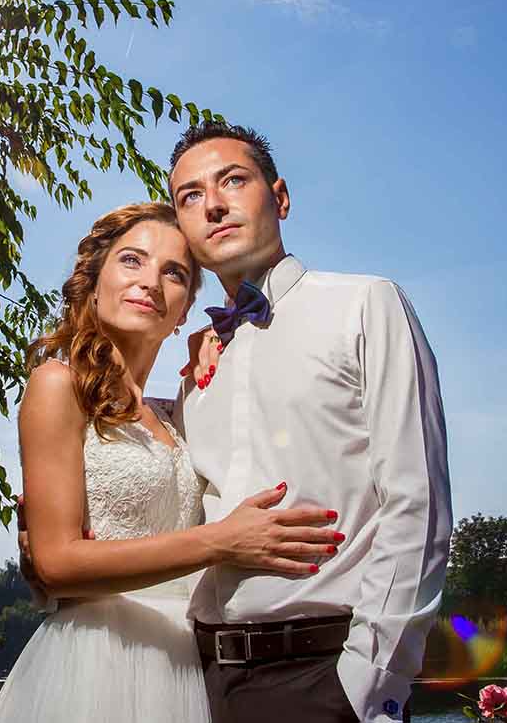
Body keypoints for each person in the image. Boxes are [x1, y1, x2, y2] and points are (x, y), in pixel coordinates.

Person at [0, 202, 345, 723]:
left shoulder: (180, 410)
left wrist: (226, 341)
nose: (150, 282)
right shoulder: (57, 385)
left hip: (188, 666)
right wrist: (221, 541)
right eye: (132, 261)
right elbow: (55, 565)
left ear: (184, 311)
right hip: (97, 667)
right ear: (93, 281)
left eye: (173, 273)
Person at [170, 121, 453, 722]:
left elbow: (417, 504)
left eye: (233, 180)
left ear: (281, 197)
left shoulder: (365, 304)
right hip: (198, 684)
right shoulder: (194, 368)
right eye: (189, 195)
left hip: (322, 678)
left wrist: (365, 688)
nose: (213, 203)